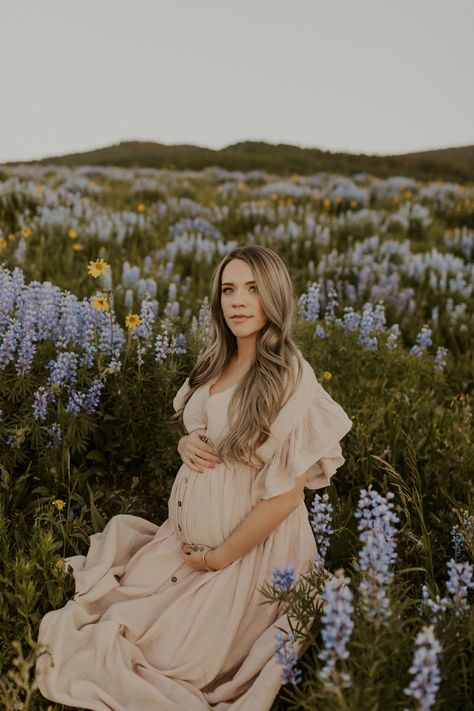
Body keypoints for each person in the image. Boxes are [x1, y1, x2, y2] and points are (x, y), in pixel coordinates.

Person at [35, 244, 353, 710]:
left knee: (174, 657)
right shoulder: (217, 359)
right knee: (118, 613)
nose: (238, 302)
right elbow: (201, 428)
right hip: (187, 546)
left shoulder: (289, 377)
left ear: (275, 296)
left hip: (248, 554)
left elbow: (285, 498)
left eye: (252, 289)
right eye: (229, 290)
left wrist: (219, 557)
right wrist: (186, 443)